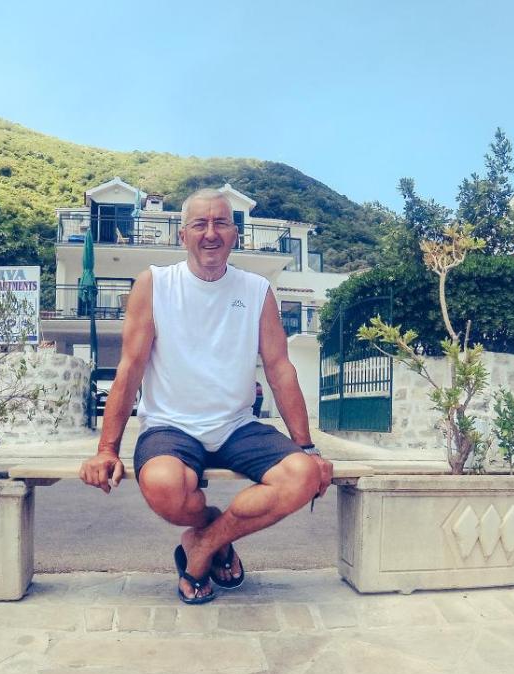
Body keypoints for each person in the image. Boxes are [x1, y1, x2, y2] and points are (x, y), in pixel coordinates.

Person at [79, 188, 334, 604]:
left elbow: (279, 369)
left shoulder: (256, 290)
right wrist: (106, 449)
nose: (211, 233)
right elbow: (130, 368)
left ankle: (202, 547)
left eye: (221, 223)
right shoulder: (155, 284)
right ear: (183, 235)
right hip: (170, 426)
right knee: (163, 486)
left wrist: (307, 448)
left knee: (302, 476)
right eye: (200, 224)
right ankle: (216, 531)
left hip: (237, 426)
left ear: (235, 234)